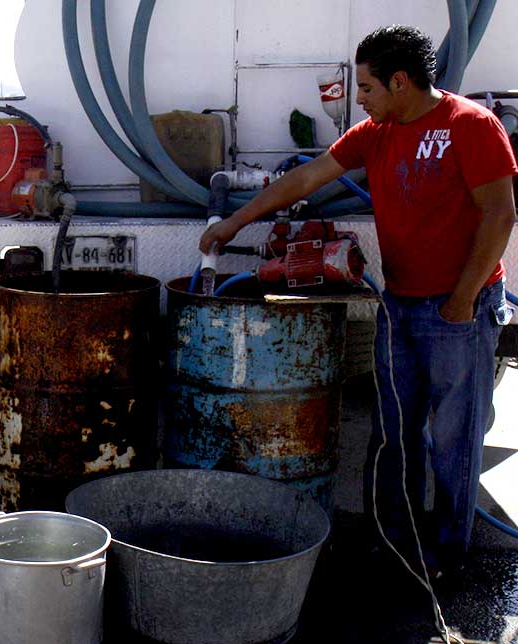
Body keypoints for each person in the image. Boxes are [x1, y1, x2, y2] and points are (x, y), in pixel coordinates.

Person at [200, 25, 517, 576]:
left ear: (400, 81)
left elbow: (500, 214)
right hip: (401, 307)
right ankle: (394, 546)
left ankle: (446, 555)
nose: (361, 98)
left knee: (454, 441)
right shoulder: (375, 133)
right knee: (394, 435)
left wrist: (463, 300)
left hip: (459, 311)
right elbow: (304, 179)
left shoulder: (472, 125)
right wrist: (232, 222)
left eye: (367, 86)